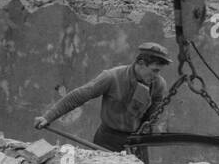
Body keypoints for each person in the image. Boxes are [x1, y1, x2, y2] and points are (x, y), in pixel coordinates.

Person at [34, 42, 171, 151]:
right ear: (140, 63)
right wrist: (48, 117)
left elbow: (152, 116)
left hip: (136, 142)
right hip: (107, 140)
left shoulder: (159, 84)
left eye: (159, 71)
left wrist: (146, 134)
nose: (156, 76)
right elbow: (79, 96)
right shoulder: (111, 77)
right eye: (154, 70)